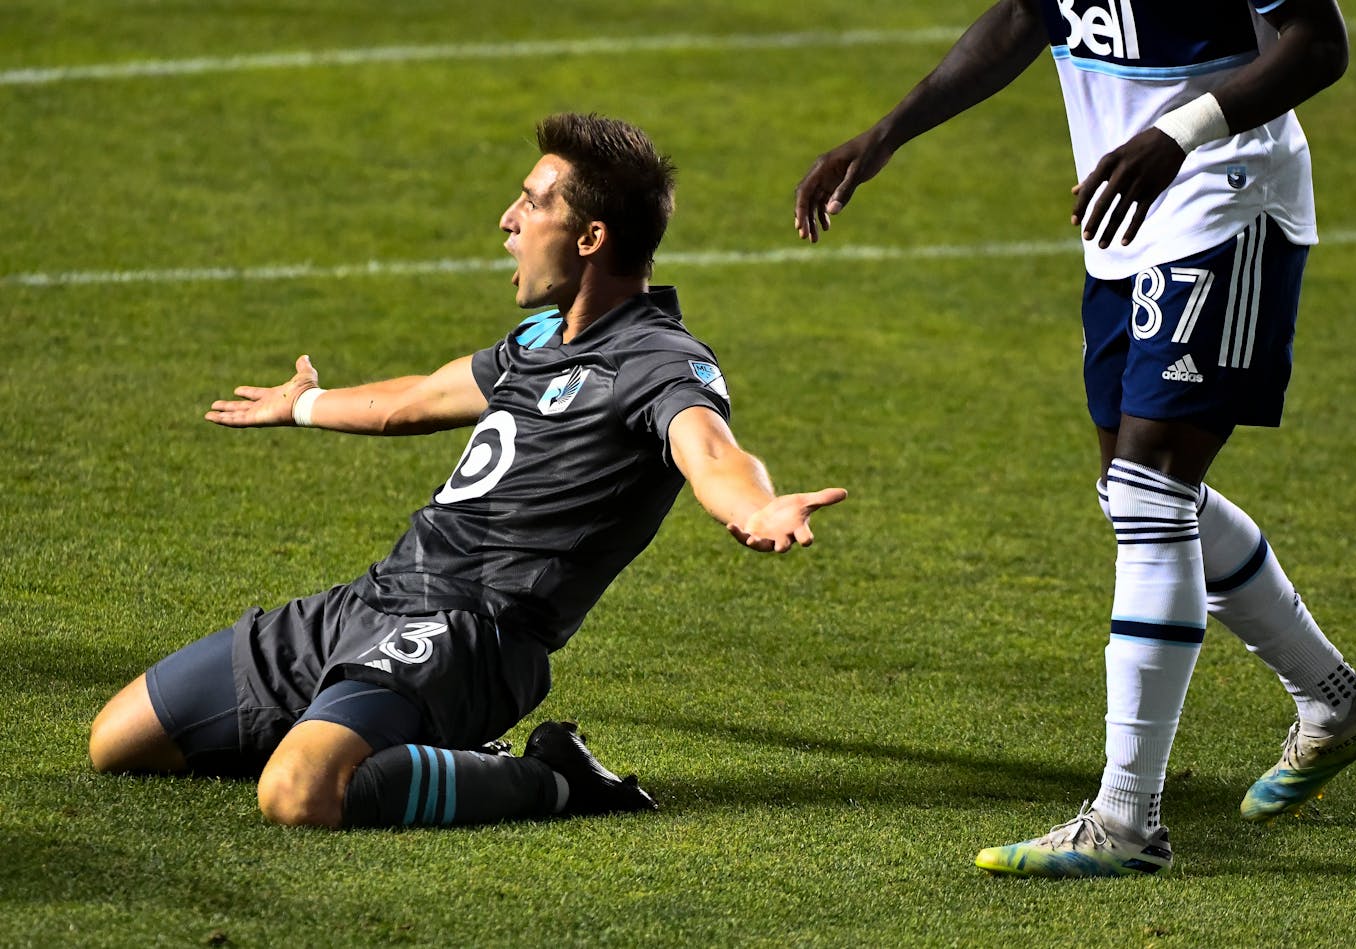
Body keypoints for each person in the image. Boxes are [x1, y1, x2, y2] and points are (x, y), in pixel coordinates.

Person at [89, 113, 846, 830]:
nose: (507, 221)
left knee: (298, 794)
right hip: (375, 600)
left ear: (589, 236)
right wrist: (307, 404)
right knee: (118, 742)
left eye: (530, 203)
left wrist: (755, 507)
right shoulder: (541, 339)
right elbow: (414, 400)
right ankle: (356, 729)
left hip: (467, 637)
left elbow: (709, 447)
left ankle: (556, 779)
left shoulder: (658, 360)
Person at [793, 0, 1356, 877]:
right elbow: (1020, 15)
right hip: (1126, 212)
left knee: (1151, 492)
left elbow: (1322, 43)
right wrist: (889, 131)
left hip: (1225, 195)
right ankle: (1339, 701)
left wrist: (1179, 134)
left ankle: (1126, 819)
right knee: (1135, 490)